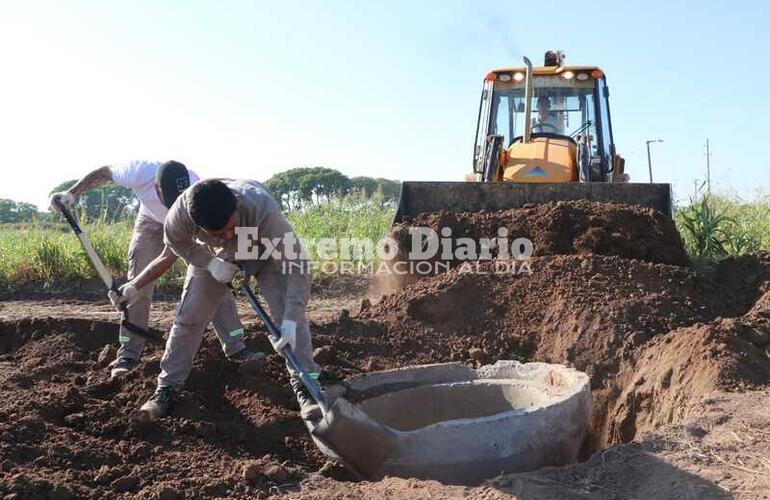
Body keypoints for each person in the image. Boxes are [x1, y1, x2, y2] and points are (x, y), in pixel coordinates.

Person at [49, 161, 265, 379]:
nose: (174, 205)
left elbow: (170, 254)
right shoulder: (139, 172)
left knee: (214, 277)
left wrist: (216, 264)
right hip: (150, 221)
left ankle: (236, 346)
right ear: (156, 188)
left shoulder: (198, 194)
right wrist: (71, 193)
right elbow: (105, 172)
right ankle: (128, 353)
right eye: (171, 201)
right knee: (139, 276)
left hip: (189, 222)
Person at [139, 179, 322, 421]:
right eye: (218, 233)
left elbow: (297, 266)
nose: (227, 235)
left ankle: (306, 385)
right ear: (196, 223)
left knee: (287, 313)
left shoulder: (261, 208)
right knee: (190, 316)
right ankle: (167, 387)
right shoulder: (179, 217)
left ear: (236, 203)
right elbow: (177, 244)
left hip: (262, 246)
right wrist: (210, 263)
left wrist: (289, 321)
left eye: (230, 227)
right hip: (217, 257)